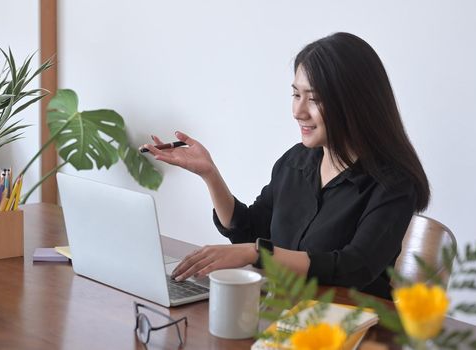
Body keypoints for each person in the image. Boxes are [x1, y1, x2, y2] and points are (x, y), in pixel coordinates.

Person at [142, 32, 430, 300]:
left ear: (354, 103)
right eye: (296, 94)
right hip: (284, 311)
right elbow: (250, 231)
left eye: (314, 99)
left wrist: (259, 254)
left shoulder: (393, 184)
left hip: (352, 326)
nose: (297, 111)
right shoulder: (296, 161)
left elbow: (355, 267)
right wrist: (209, 174)